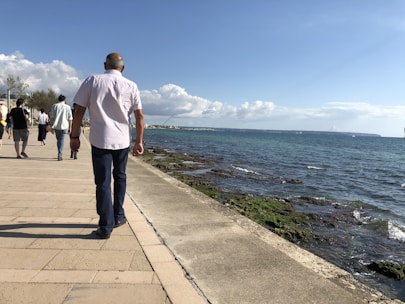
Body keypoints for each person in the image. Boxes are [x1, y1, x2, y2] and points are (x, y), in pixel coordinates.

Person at [70, 52, 144, 239]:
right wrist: (139, 141)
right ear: (123, 68)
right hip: (122, 141)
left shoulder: (92, 81)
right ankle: (118, 215)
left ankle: (105, 226)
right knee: (120, 177)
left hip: (100, 139)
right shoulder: (131, 85)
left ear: (105, 65)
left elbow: (79, 110)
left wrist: (74, 135)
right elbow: (139, 116)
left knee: (102, 182)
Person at [49, 95, 73, 161]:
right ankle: (60, 154)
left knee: (59, 140)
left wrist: (51, 126)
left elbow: (52, 117)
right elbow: (70, 118)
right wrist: (70, 128)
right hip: (65, 125)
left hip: (57, 126)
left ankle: (59, 153)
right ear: (64, 100)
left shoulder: (54, 106)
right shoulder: (68, 107)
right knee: (61, 140)